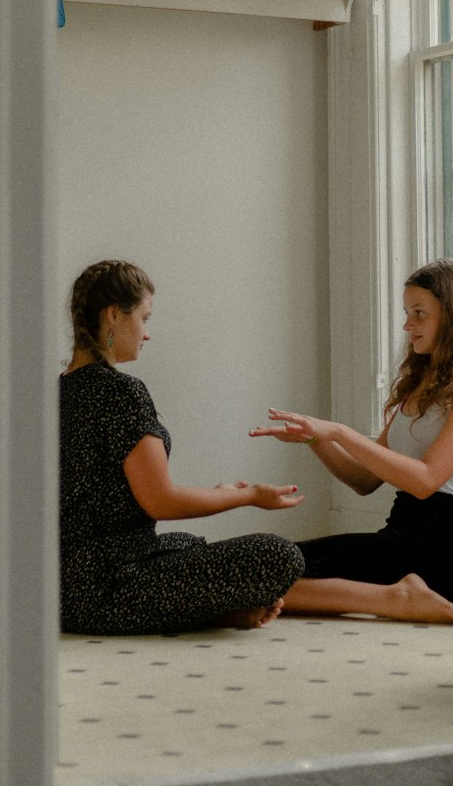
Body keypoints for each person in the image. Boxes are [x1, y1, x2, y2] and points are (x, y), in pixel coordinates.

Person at [60, 259, 306, 635]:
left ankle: (218, 612)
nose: (147, 334)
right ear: (113, 315)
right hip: (110, 588)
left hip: (57, 590)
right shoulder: (122, 392)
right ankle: (218, 610)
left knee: (185, 544)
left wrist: (220, 493)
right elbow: (161, 501)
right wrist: (249, 495)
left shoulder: (53, 393)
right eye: (144, 318)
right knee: (279, 555)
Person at [249, 259, 453, 627]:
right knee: (260, 565)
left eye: (419, 313)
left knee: (254, 582)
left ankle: (403, 597)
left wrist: (341, 432)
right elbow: (365, 480)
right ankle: (394, 597)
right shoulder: (420, 383)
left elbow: (426, 480)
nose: (408, 325)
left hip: (437, 554)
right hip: (399, 537)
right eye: (408, 313)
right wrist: (314, 438)